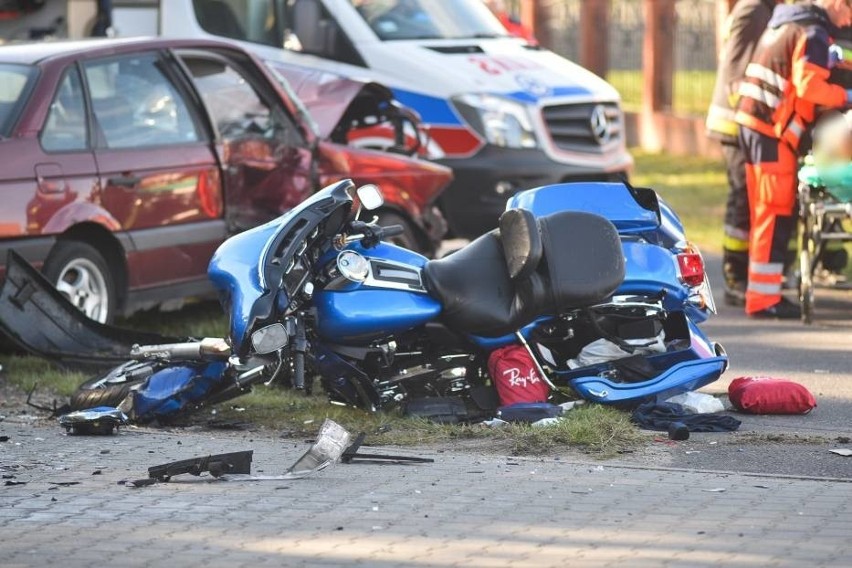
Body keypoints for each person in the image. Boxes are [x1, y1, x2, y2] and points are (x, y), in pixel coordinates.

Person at [734, 0, 852, 318]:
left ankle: (763, 295)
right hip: (770, 131)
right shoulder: (813, 31)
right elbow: (810, 86)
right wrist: (846, 96)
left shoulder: (793, 22)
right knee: (773, 214)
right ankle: (763, 300)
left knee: (767, 213)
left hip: (757, 125)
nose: (848, 20)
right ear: (837, 4)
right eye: (850, 9)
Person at [706, 0, 782, 307]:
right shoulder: (754, 10)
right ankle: (735, 275)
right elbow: (738, 68)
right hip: (735, 121)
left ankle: (743, 270)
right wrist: (751, 116)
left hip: (741, 121)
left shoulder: (761, 9)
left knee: (746, 197)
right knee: (741, 198)